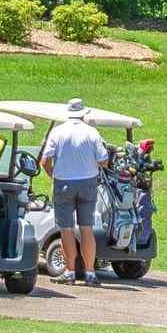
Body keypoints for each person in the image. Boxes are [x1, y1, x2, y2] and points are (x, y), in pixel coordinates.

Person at [40, 98, 113, 285]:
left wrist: (53, 175)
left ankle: (70, 271)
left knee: (66, 229)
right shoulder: (92, 132)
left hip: (63, 182)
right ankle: (89, 272)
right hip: (88, 182)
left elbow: (44, 161)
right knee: (86, 228)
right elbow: (104, 160)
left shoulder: (58, 132)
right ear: (83, 114)